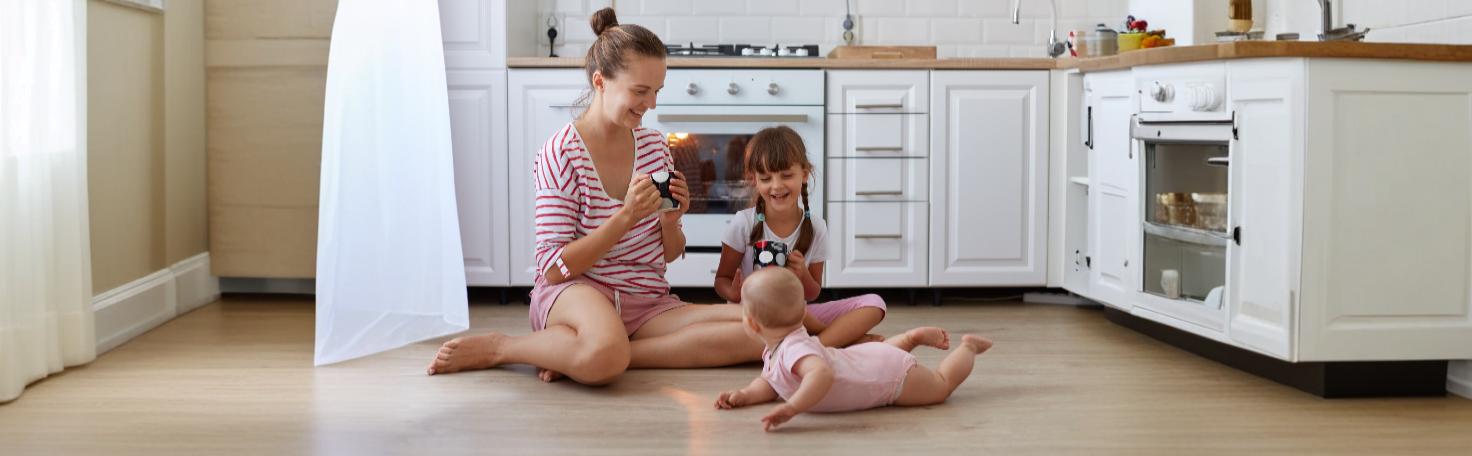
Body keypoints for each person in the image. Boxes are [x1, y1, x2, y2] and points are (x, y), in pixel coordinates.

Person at [427, 8, 761, 384]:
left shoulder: (655, 147)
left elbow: (668, 254)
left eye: (656, 91)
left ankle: (584, 352)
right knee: (606, 354)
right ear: (600, 81)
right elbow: (554, 268)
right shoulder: (561, 153)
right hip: (577, 292)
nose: (652, 104)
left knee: (761, 326)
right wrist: (626, 216)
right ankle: (504, 347)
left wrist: (670, 222)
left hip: (645, 301)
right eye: (640, 91)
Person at [714, 268, 994, 431]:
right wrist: (745, 395)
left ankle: (968, 347)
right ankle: (909, 338)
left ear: (752, 324)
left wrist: (793, 407)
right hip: (869, 358)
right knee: (872, 356)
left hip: (890, 378)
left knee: (941, 385)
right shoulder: (776, 349)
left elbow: (821, 374)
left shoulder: (794, 349)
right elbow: (770, 382)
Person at [713, 126, 886, 348]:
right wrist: (734, 292)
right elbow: (722, 280)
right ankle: (835, 339)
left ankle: (812, 343)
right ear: (754, 180)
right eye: (766, 178)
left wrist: (802, 273)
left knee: (875, 303)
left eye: (786, 175)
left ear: (804, 175)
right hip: (754, 316)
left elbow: (813, 293)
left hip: (799, 315)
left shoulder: (816, 227)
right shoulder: (743, 223)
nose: (776, 186)